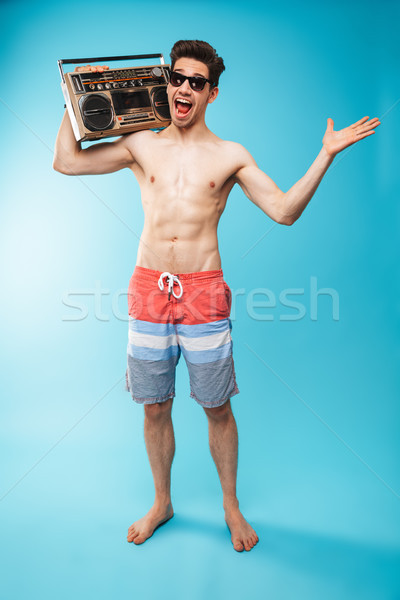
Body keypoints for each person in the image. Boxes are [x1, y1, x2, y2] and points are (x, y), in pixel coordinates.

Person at [53, 39, 380, 552]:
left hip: (203, 294)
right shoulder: (140, 141)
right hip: (149, 289)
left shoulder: (231, 155)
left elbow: (284, 211)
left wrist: (326, 154)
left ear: (212, 93)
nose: (184, 88)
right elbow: (67, 162)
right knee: (154, 407)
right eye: (177, 78)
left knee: (217, 407)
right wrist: (77, 95)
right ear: (167, 84)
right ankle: (162, 501)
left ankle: (230, 505)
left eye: (196, 82)